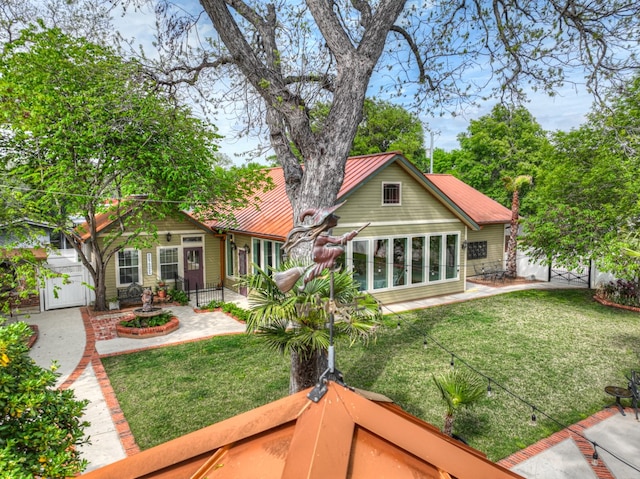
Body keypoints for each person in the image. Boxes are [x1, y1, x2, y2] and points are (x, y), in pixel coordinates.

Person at [275, 202, 367, 292]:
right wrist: (350, 235)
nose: (335, 218)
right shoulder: (322, 235)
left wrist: (348, 236)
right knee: (339, 250)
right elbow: (337, 241)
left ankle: (321, 270)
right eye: (331, 216)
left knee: (335, 251)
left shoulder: (322, 234)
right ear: (326, 221)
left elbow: (336, 241)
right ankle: (329, 263)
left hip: (318, 253)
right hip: (320, 254)